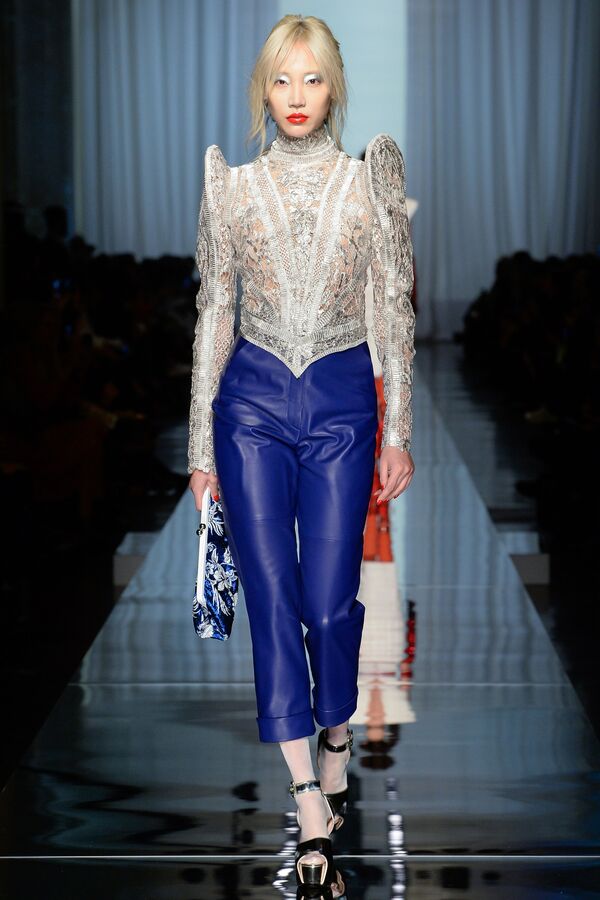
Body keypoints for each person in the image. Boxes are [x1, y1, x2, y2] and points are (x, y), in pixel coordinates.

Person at [188, 13, 415, 892]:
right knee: (274, 599)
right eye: (282, 79)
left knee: (329, 600)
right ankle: (307, 802)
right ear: (263, 88)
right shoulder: (231, 187)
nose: (296, 96)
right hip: (248, 403)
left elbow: (392, 309)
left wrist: (398, 432)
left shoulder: (367, 180)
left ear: (333, 87)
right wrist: (201, 444)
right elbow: (215, 311)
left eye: (312, 78)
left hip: (340, 402)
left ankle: (335, 733)